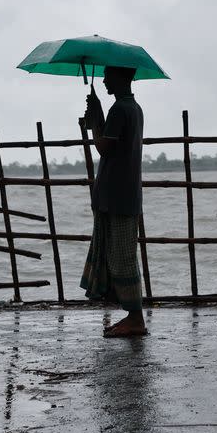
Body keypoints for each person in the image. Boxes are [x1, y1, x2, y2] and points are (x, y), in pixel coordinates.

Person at [80, 66, 147, 337]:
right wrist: (96, 117)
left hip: (118, 194)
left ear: (121, 77)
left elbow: (103, 147)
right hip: (120, 192)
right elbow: (109, 141)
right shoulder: (132, 107)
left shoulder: (120, 109)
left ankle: (135, 318)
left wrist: (96, 119)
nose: (105, 80)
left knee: (122, 258)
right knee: (118, 254)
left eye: (108, 75)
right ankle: (132, 316)